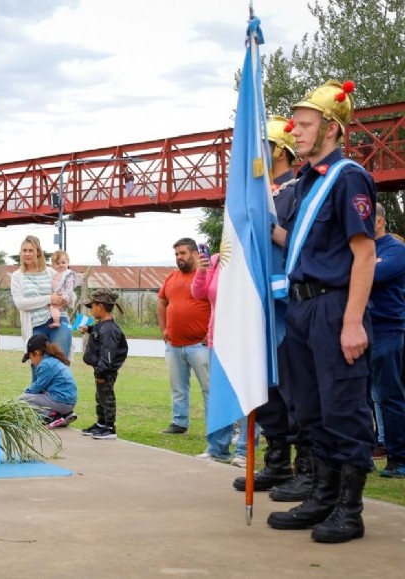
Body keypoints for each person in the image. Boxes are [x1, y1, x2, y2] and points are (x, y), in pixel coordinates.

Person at [266, 80, 377, 544]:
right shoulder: (307, 181)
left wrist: (352, 321)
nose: (297, 130)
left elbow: (364, 253)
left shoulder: (347, 176)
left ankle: (349, 510)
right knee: (310, 408)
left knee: (342, 407)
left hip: (334, 308)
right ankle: (323, 496)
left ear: (331, 128)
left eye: (307, 124)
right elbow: (306, 246)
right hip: (302, 307)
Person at [234, 115, 314, 502]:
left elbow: (297, 243)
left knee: (292, 387)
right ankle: (277, 460)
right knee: (265, 386)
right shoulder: (260, 193)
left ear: (278, 151)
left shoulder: (295, 190)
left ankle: (305, 468)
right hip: (259, 303)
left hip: (284, 302)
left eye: (261, 147)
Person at [190, 246, 251, 466]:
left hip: (246, 340)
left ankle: (244, 450)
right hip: (218, 339)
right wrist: (202, 270)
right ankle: (217, 448)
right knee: (220, 396)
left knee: (247, 397)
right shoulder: (216, 261)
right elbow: (198, 293)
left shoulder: (251, 259)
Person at [156, 238, 212, 438]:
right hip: (174, 344)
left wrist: (211, 332)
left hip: (200, 344)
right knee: (178, 387)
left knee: (209, 388)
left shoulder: (206, 275)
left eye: (182, 253)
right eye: (176, 254)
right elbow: (162, 302)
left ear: (195, 254)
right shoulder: (171, 277)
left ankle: (213, 426)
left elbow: (217, 304)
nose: (179, 258)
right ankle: (179, 422)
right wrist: (163, 329)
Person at [368, 202, 405, 479]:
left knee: (390, 395)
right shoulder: (360, 249)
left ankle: (398, 457)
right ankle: (364, 453)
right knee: (361, 397)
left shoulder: (395, 250)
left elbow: (373, 275)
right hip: (361, 330)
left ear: (380, 221)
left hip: (388, 330)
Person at [10, 235, 73, 358]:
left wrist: (64, 299)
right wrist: (49, 299)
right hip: (35, 326)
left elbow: (71, 295)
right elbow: (20, 303)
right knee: (39, 366)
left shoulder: (51, 272)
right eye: (24, 251)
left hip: (59, 322)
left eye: (31, 250)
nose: (27, 254)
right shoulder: (17, 276)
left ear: (38, 252)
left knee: (60, 363)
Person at [79, 288, 128, 440]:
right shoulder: (102, 326)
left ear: (100, 306)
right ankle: (101, 424)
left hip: (105, 371)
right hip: (100, 370)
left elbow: (108, 354)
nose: (91, 310)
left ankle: (109, 427)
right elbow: (97, 331)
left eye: (92, 306)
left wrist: (101, 372)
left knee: (107, 398)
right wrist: (89, 329)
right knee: (100, 397)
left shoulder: (109, 330)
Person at [20, 333, 78, 428]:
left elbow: (37, 387)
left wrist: (26, 393)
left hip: (61, 401)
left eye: (30, 357)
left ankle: (52, 416)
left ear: (37, 353)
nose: (31, 361)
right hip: (68, 402)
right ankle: (64, 416)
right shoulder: (53, 360)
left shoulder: (46, 364)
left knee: (23, 399)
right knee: (32, 397)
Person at [48, 250, 75, 328]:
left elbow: (70, 287)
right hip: (59, 295)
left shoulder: (68, 274)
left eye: (63, 263)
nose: (61, 265)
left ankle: (56, 322)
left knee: (54, 307)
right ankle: (56, 320)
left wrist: (65, 297)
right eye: (58, 263)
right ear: (53, 265)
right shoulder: (56, 275)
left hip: (64, 295)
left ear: (68, 263)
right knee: (54, 307)